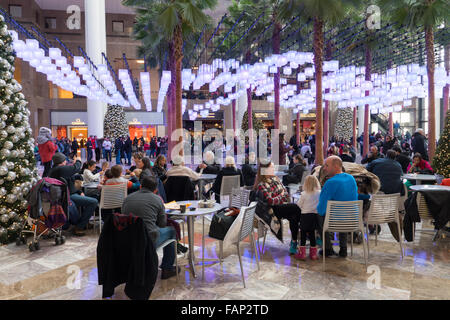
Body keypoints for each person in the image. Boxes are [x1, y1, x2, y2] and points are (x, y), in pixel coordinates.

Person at [121, 176, 178, 279]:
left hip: (128, 239)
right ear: (156, 190)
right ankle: (167, 268)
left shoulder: (127, 198)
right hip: (148, 240)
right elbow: (162, 224)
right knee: (172, 231)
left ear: (141, 186)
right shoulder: (157, 199)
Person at [252, 161, 301, 255]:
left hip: (280, 207)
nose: (274, 169)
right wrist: (281, 195)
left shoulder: (275, 179)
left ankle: (294, 241)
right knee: (295, 207)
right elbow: (271, 201)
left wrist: (279, 196)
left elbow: (286, 193)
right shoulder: (261, 184)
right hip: (270, 211)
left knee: (294, 215)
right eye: (272, 167)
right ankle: (303, 234)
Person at [317, 156, 358, 257]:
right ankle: (343, 249)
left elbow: (321, 209)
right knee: (343, 213)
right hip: (352, 220)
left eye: (327, 165)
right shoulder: (351, 178)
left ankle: (327, 249)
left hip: (335, 223)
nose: (324, 168)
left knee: (317, 216)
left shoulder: (330, 182)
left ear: (335, 166)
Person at [49, 153, 98, 236]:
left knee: (87, 198)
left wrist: (79, 192)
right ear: (62, 161)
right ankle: (80, 226)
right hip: (67, 196)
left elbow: (69, 184)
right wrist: (78, 160)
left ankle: (84, 222)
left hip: (71, 193)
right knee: (93, 201)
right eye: (65, 160)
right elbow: (76, 168)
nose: (66, 161)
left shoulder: (57, 170)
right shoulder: (59, 169)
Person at [294, 175, 321, 260]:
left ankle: (302, 253)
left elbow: (299, 205)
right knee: (312, 234)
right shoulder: (319, 193)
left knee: (303, 234)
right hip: (314, 216)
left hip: (305, 216)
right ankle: (313, 254)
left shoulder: (304, 194)